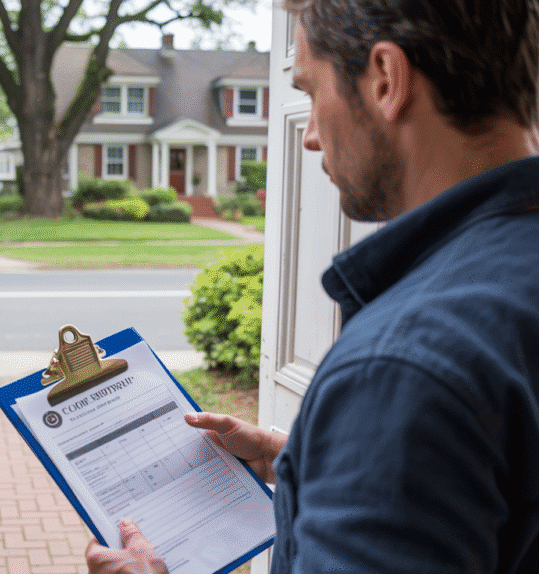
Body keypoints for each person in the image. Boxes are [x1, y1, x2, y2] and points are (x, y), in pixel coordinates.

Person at [86, 0, 539, 572]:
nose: (309, 136)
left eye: (309, 91)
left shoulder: (402, 365)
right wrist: (300, 460)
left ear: (385, 79)